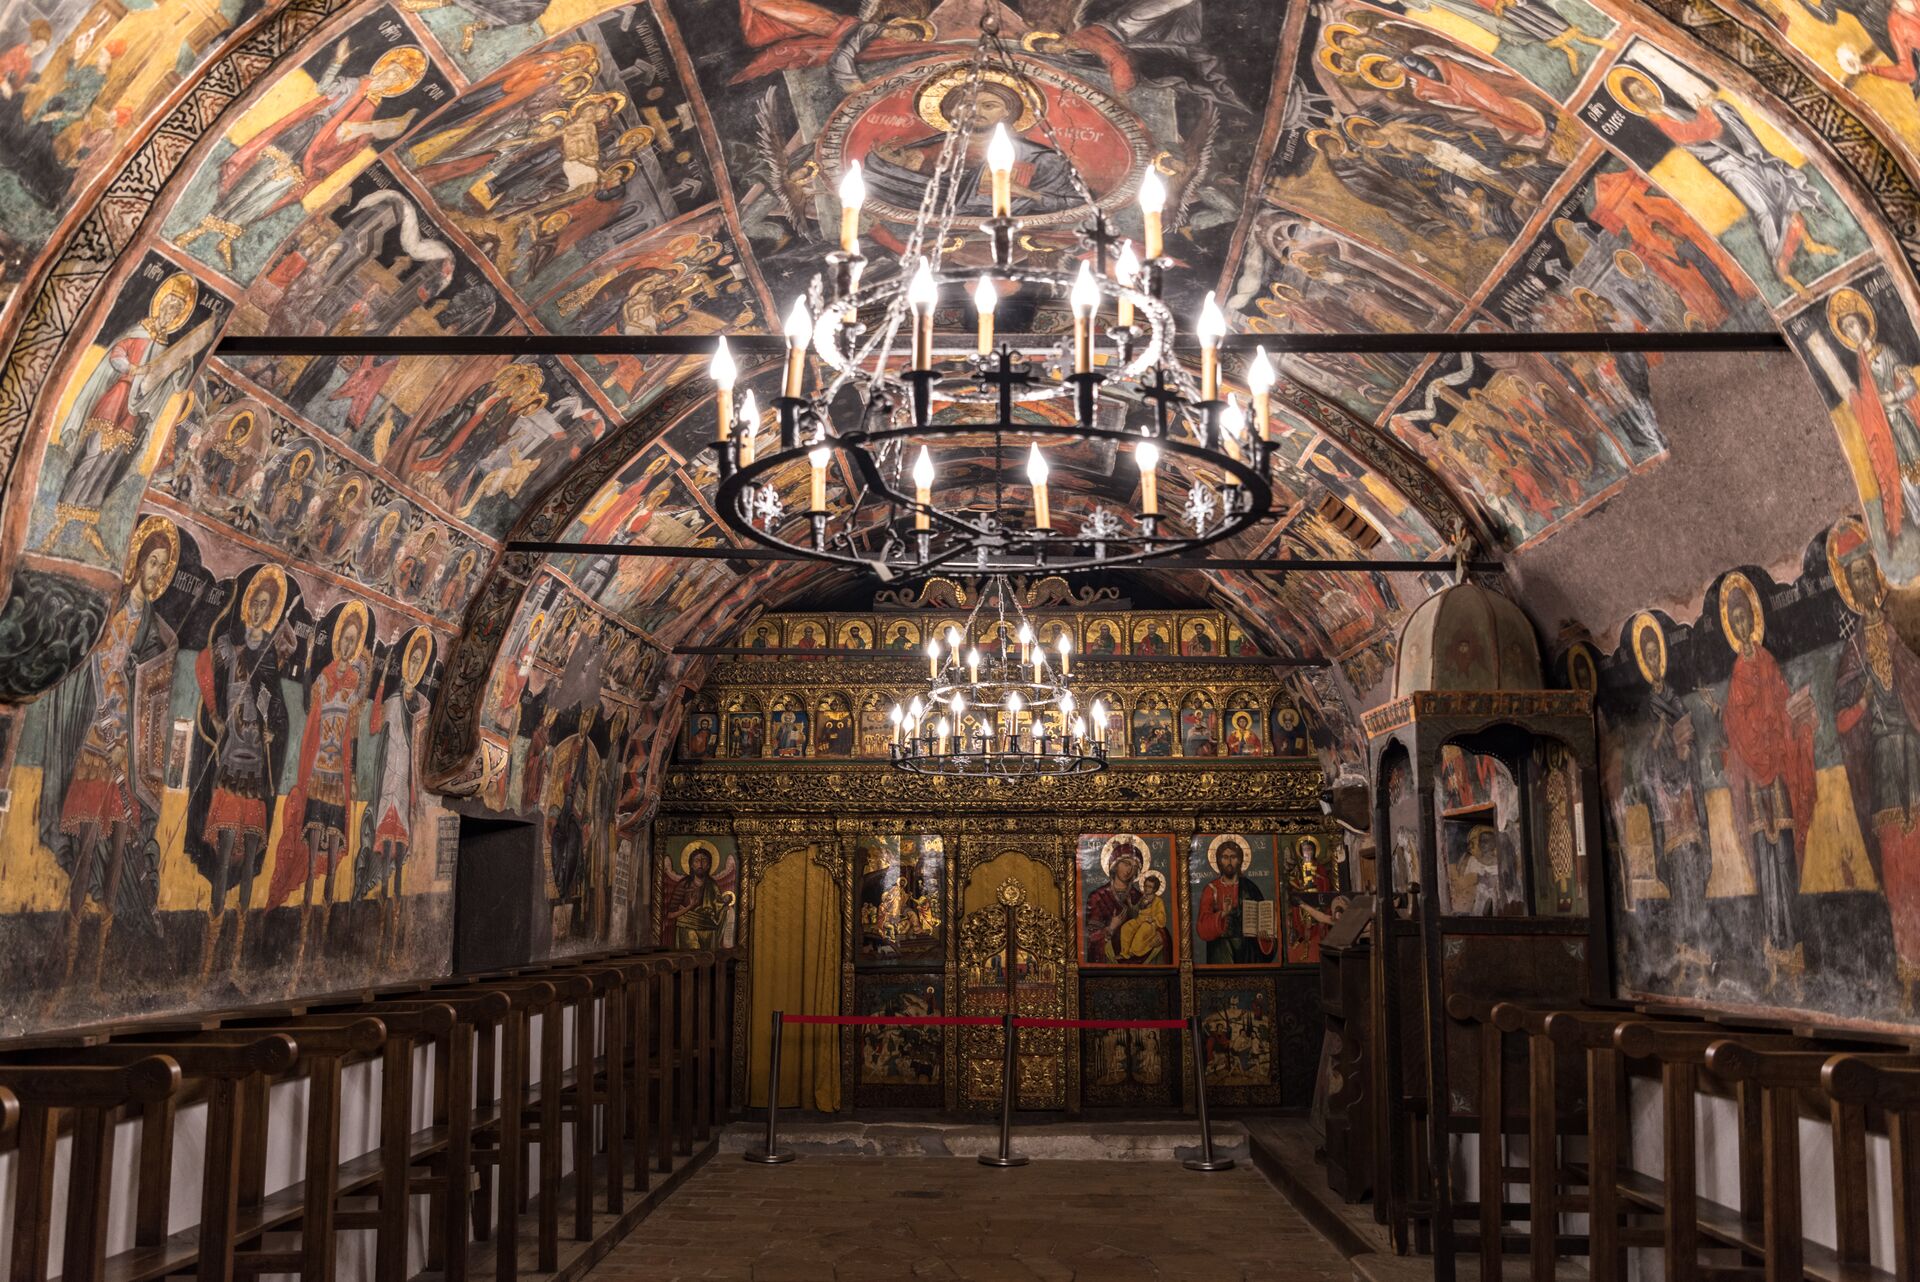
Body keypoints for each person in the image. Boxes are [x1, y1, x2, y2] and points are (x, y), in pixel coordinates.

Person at [863, 78, 1079, 217]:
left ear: (1007, 112)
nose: (975, 111)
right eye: (967, 105)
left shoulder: (1042, 159)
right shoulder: (921, 152)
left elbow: (1075, 204)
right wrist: (890, 167)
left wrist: (1030, 195)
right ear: (951, 111)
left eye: (989, 105)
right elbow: (876, 183)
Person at [1196, 837, 1276, 963]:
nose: (1229, 861)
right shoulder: (1211, 889)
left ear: (1239, 860)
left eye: (1233, 857)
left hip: (1247, 949)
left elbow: (1264, 920)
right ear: (1218, 860)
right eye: (1225, 857)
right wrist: (1223, 914)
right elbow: (1202, 927)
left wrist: (1265, 936)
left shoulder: (1250, 888)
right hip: (1221, 951)